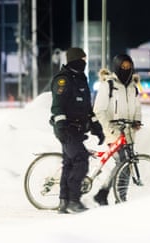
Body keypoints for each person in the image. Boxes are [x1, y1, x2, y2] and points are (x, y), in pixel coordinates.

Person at [50, 47, 105, 213]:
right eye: (82, 59)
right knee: (81, 160)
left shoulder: (81, 79)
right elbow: (57, 106)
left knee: (69, 164)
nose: (84, 62)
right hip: (67, 129)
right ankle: (74, 200)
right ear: (74, 60)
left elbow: (87, 109)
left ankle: (64, 202)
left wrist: (97, 128)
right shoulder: (63, 80)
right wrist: (61, 128)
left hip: (79, 129)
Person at [92, 54, 142, 205]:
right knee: (123, 161)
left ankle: (108, 194)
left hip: (129, 132)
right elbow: (98, 110)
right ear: (117, 66)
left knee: (126, 164)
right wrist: (109, 128)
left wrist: (137, 121)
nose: (126, 69)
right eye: (123, 66)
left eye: (128, 66)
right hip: (113, 132)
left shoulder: (133, 86)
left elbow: (137, 107)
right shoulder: (108, 84)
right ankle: (117, 197)